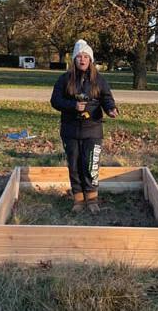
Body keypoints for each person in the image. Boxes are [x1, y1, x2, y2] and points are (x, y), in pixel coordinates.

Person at [50, 39, 118, 214]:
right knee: (74, 165)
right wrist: (72, 106)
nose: (82, 60)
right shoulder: (64, 79)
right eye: (79, 56)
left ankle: (92, 198)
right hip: (70, 129)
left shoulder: (99, 80)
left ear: (90, 60)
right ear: (74, 59)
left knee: (90, 165)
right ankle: (78, 199)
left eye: (86, 56)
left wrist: (111, 109)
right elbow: (55, 101)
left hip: (93, 129)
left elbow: (106, 98)